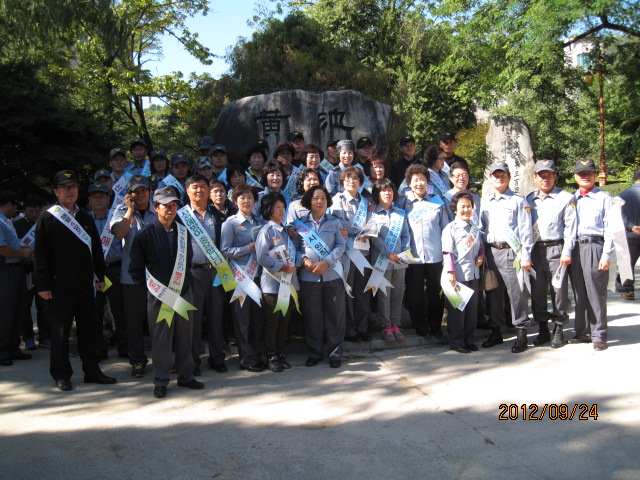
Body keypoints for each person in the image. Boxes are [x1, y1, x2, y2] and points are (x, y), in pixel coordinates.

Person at [34, 171, 116, 390]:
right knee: (60, 333)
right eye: (65, 187)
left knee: (88, 330)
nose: (70, 190)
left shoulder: (85, 217)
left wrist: (99, 276)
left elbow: (96, 249)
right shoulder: (48, 218)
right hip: (59, 286)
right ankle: (61, 374)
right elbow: (40, 254)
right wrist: (42, 285)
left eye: (73, 186)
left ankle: (92, 371)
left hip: (85, 284)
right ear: (56, 192)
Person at [129, 186, 204, 398]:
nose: (170, 209)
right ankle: (161, 379)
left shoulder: (183, 232)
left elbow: (187, 260)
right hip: (159, 296)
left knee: (185, 336)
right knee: (161, 339)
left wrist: (184, 284)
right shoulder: (144, 235)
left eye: (173, 205)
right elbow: (136, 269)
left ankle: (186, 375)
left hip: (183, 292)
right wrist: (152, 290)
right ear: (156, 207)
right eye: (165, 206)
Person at [480, 161, 533, 353]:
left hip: (512, 252)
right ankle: (496, 331)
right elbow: (481, 228)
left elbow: (526, 231)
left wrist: (525, 255)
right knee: (493, 293)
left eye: (502, 175)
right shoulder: (485, 201)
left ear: (509, 178)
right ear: (490, 178)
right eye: (495, 175)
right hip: (491, 252)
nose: (499, 178)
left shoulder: (518, 201)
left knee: (517, 293)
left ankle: (521, 332)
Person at [294, 185, 347, 368]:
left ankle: (335, 354)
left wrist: (326, 262)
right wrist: (304, 260)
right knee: (312, 316)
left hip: (332, 275)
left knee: (335, 316)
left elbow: (341, 245)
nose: (320, 201)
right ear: (309, 201)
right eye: (316, 198)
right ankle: (315, 352)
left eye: (323, 198)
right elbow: (294, 248)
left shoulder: (335, 222)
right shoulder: (300, 224)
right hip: (309, 277)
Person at [526, 160, 577, 348]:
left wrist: (567, 251)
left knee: (559, 291)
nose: (545, 179)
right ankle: (542, 329)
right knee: (537, 291)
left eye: (548, 175)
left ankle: (558, 328)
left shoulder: (565, 198)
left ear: (554, 176)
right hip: (535, 251)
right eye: (541, 175)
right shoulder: (529, 199)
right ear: (535, 177)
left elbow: (571, 228)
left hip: (557, 249)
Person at [180, 174, 228, 374]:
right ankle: (193, 360)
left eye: (202, 186)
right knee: (193, 318)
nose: (199, 190)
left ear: (209, 190)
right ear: (187, 191)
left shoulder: (218, 215)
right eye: (194, 187)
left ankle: (217, 357)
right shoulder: (181, 216)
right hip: (192, 272)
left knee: (217, 316)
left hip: (216, 272)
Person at [110, 175, 157, 378]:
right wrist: (129, 211)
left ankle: (163, 358)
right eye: (136, 192)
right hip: (131, 278)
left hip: (157, 277)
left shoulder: (158, 209)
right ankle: (138, 360)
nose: (141, 195)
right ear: (129, 194)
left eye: (144, 190)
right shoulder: (121, 211)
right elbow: (119, 234)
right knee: (134, 322)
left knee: (159, 322)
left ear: (150, 192)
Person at [398, 164, 449, 338]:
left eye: (422, 180)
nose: (419, 183)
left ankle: (435, 327)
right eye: (415, 180)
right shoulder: (403, 203)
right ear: (409, 183)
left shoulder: (437, 202)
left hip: (435, 255)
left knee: (436, 293)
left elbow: (445, 228)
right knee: (415, 295)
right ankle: (421, 328)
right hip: (413, 256)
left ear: (428, 182)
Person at [568, 158, 613, 351]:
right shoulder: (571, 198)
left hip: (595, 246)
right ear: (575, 176)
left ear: (595, 175)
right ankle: (582, 332)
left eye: (589, 173)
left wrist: (606, 255)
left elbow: (611, 228)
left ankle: (599, 334)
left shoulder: (604, 198)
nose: (585, 176)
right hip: (575, 248)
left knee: (596, 292)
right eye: (581, 173)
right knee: (579, 292)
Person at [220, 184, 266, 372]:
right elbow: (225, 250)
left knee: (257, 320)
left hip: (258, 277)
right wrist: (248, 248)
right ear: (235, 201)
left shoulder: (260, 222)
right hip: (240, 278)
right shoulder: (230, 224)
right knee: (242, 321)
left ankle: (257, 355)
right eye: (242, 197)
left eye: (249, 197)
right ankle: (247, 359)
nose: (246, 201)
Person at [255, 192, 299, 372]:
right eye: (277, 208)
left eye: (283, 207)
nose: (281, 211)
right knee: (272, 322)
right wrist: (281, 267)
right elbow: (261, 257)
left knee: (284, 321)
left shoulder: (286, 231)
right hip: (272, 285)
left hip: (288, 284)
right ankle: (271, 355)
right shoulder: (266, 231)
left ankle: (280, 354)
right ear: (268, 210)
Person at [87, 182, 128, 361]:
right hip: (94, 272)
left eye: (102, 195)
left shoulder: (116, 217)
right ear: (89, 199)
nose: (98, 199)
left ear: (109, 198)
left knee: (120, 310)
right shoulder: (83, 220)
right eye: (94, 196)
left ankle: (125, 346)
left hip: (115, 268)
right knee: (95, 312)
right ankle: (98, 348)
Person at [332, 166, 372, 342]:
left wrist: (369, 230)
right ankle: (350, 329)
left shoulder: (365, 202)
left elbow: (372, 222)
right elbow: (339, 222)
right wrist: (360, 230)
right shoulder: (337, 200)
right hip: (346, 252)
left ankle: (362, 328)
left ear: (360, 182)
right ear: (342, 181)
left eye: (355, 178)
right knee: (348, 291)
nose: (351, 181)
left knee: (363, 291)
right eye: (348, 178)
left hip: (363, 251)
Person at [441, 192, 485, 353]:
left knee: (472, 310)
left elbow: (481, 246)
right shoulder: (450, 228)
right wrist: (451, 271)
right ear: (455, 209)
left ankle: (469, 339)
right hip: (458, 275)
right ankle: (457, 342)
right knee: (458, 310)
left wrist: (481, 255)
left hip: (474, 274)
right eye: (462, 207)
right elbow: (447, 252)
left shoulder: (475, 228)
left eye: (469, 206)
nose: (466, 210)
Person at [369, 179, 410, 342]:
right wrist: (388, 253)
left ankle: (396, 324)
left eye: (390, 190)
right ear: (378, 194)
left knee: (398, 295)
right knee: (384, 296)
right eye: (383, 190)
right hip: (381, 260)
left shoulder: (400, 213)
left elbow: (406, 234)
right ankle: (386, 326)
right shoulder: (372, 213)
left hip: (399, 261)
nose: (387, 193)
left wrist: (405, 252)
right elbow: (374, 238)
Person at [13, 194, 50, 350]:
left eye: (37, 211)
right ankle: (28, 336)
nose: (34, 214)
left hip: (43, 271)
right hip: (24, 270)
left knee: (45, 305)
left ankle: (45, 337)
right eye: (31, 211)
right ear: (24, 210)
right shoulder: (16, 225)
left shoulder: (46, 223)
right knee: (25, 306)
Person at [1, 191, 34, 367]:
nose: (15, 210)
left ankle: (13, 348)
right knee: (6, 312)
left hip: (16, 269)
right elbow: (2, 249)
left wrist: (23, 249)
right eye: (14, 206)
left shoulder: (7, 221)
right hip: (5, 269)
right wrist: (22, 253)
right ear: (9, 204)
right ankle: (2, 351)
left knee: (17, 310)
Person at [617, 167, 640, 300]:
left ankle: (628, 291)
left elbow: (619, 215)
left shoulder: (623, 195)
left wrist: (631, 227)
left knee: (628, 263)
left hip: (630, 235)